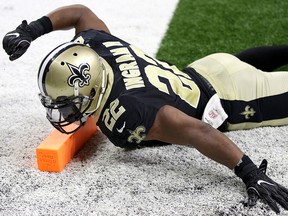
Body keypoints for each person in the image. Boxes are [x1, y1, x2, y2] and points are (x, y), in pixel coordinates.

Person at [2, 4, 288, 214]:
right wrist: (32, 30)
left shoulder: (131, 109)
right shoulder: (95, 45)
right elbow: (80, 13)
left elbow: (196, 129)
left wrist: (249, 172)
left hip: (234, 97)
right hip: (207, 69)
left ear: (92, 88)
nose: (64, 111)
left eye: (69, 102)